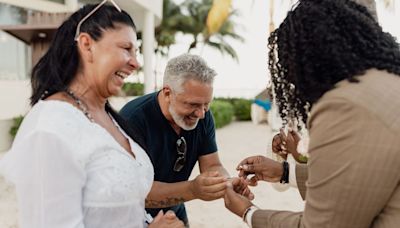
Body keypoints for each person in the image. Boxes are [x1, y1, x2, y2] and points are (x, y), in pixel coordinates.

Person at [0, 1, 184, 227]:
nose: (135, 63)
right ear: (87, 45)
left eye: (136, 52)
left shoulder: (108, 118)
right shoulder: (50, 128)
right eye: (126, 48)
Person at [224, 0, 400, 227]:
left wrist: (248, 212)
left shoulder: (345, 103)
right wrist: (284, 171)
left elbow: (323, 224)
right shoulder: (386, 83)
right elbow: (362, 177)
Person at [120, 53, 253, 226]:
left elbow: (212, 165)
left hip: (175, 210)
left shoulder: (203, 115)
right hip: (133, 218)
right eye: (193, 105)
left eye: (207, 104)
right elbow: (133, 192)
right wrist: (192, 190)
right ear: (168, 93)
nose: (201, 114)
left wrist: (226, 183)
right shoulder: (132, 120)